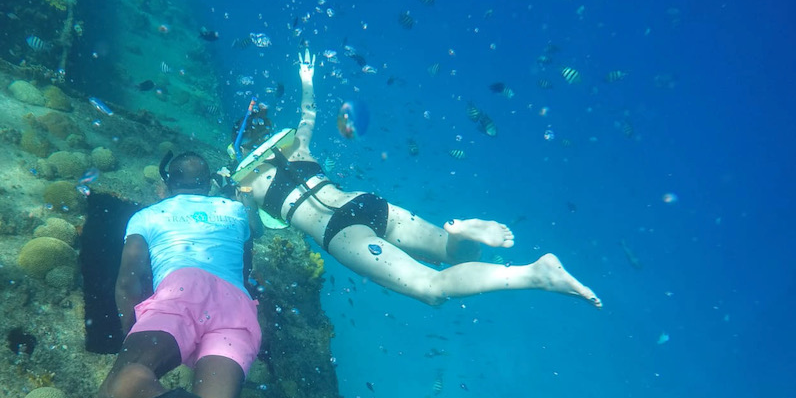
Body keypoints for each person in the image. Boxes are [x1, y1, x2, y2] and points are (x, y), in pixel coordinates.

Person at [230, 49, 602, 308]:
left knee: (432, 288)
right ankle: (460, 233)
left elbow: (250, 231)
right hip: (368, 203)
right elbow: (308, 112)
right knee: (454, 254)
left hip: (341, 232)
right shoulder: (298, 146)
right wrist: (306, 78)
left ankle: (532, 274)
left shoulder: (247, 185)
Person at [98, 152, 262, 398]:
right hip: (237, 305)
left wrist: (134, 336)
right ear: (208, 184)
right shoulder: (233, 211)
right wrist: (238, 199)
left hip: (182, 290)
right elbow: (249, 251)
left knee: (122, 378)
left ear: (165, 185)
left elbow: (128, 282)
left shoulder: (148, 216)